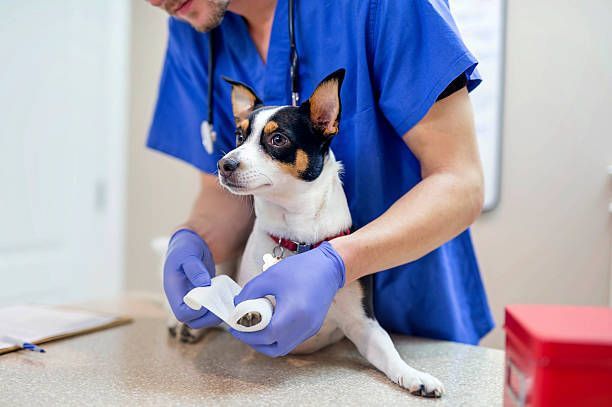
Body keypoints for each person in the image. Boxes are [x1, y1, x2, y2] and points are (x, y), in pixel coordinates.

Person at [148, 0, 494, 357]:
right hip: (282, 350)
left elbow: (460, 183)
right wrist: (194, 242)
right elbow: (224, 193)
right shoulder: (193, 25)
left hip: (416, 328)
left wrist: (336, 263)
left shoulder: (389, 6)